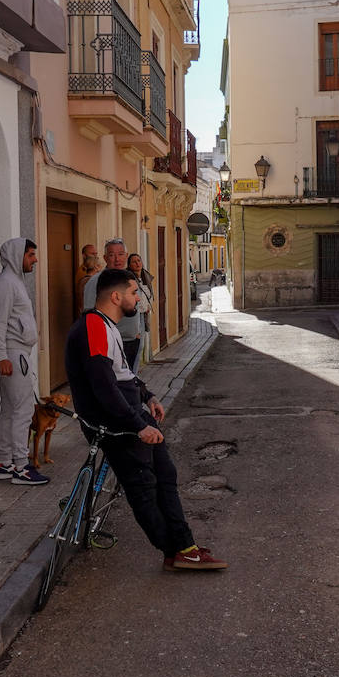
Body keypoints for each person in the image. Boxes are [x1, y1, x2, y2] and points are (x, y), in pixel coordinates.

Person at [65, 268, 227, 571]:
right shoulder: (93, 327)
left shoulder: (106, 325)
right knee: (143, 488)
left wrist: (148, 395)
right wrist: (138, 426)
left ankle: (185, 545)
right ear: (116, 296)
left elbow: (123, 375)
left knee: (165, 476)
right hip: (115, 425)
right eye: (133, 293)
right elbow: (103, 386)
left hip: (130, 416)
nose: (138, 299)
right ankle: (174, 551)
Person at [0, 237, 50, 485]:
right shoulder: (6, 284)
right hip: (13, 355)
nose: (35, 260)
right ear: (17, 255)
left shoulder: (14, 282)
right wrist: (2, 356)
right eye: (31, 255)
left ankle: (5, 463)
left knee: (9, 410)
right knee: (23, 411)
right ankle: (21, 468)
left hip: (15, 353)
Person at [83, 238, 142, 369]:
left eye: (121, 254)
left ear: (126, 256)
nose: (117, 259)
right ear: (105, 258)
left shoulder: (129, 278)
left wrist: (137, 332)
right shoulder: (96, 282)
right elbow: (89, 313)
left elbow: (137, 305)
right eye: (111, 255)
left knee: (129, 383)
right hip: (111, 344)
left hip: (132, 342)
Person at [127, 252, 154, 369]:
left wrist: (148, 307)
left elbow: (148, 295)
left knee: (140, 347)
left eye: (139, 260)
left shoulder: (145, 277)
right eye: (134, 261)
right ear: (129, 265)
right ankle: (132, 376)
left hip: (142, 316)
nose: (137, 263)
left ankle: (134, 375)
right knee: (136, 347)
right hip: (133, 317)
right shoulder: (129, 279)